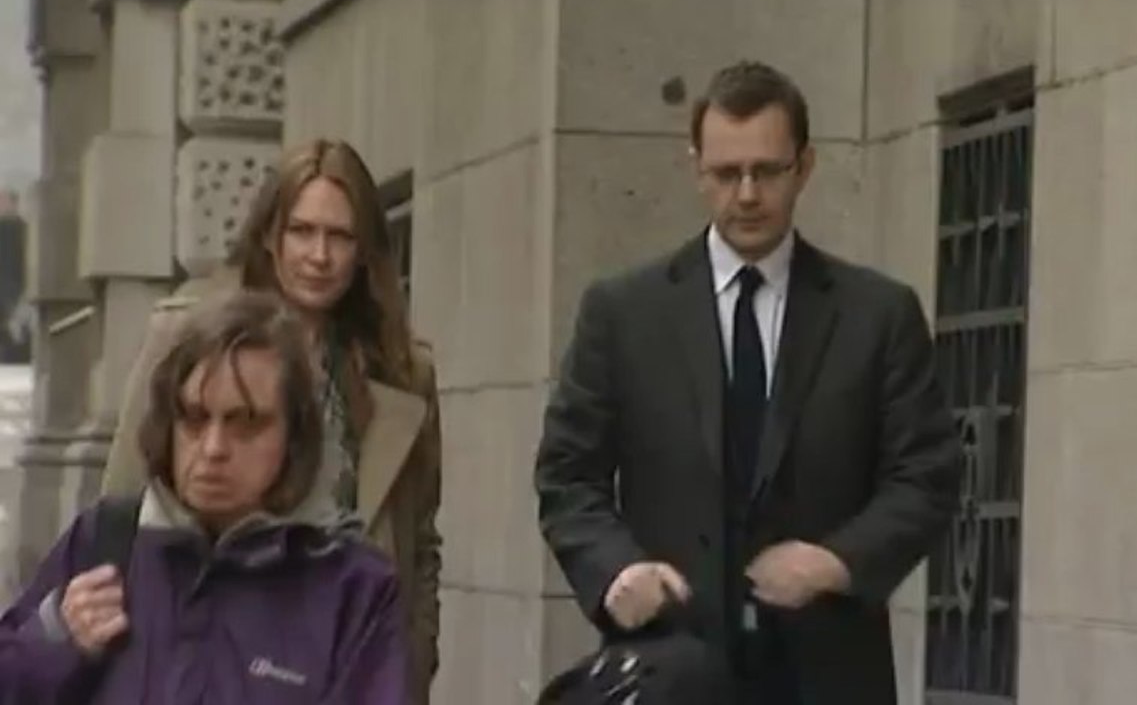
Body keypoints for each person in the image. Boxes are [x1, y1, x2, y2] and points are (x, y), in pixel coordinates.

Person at [534, 61, 961, 704]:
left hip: (830, 673)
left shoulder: (879, 315)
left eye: (767, 171)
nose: (748, 194)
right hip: (671, 666)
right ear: (695, 169)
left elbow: (926, 476)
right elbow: (567, 475)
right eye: (726, 174)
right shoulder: (623, 313)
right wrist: (616, 569)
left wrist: (836, 563)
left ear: (806, 166)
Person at [99, 139, 442, 702]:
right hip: (212, 650)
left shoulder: (403, 370)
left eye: (340, 236)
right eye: (302, 231)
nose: (319, 255)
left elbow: (421, 541)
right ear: (269, 235)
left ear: (364, 252)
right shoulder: (188, 333)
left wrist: (412, 668)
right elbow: (120, 512)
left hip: (348, 654)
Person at [0, 291, 408, 704]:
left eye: (245, 422)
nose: (213, 448)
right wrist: (53, 642)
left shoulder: (351, 589)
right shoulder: (105, 543)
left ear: (294, 436)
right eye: (194, 418)